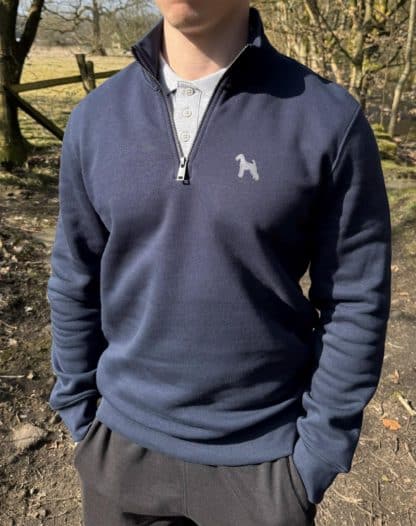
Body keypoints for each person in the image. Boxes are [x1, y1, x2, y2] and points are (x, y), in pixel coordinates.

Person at [46, 1, 392, 525]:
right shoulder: (95, 119)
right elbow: (75, 278)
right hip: (117, 453)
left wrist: (314, 457)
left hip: (265, 466)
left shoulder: (328, 119)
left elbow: (355, 298)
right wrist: (80, 414)